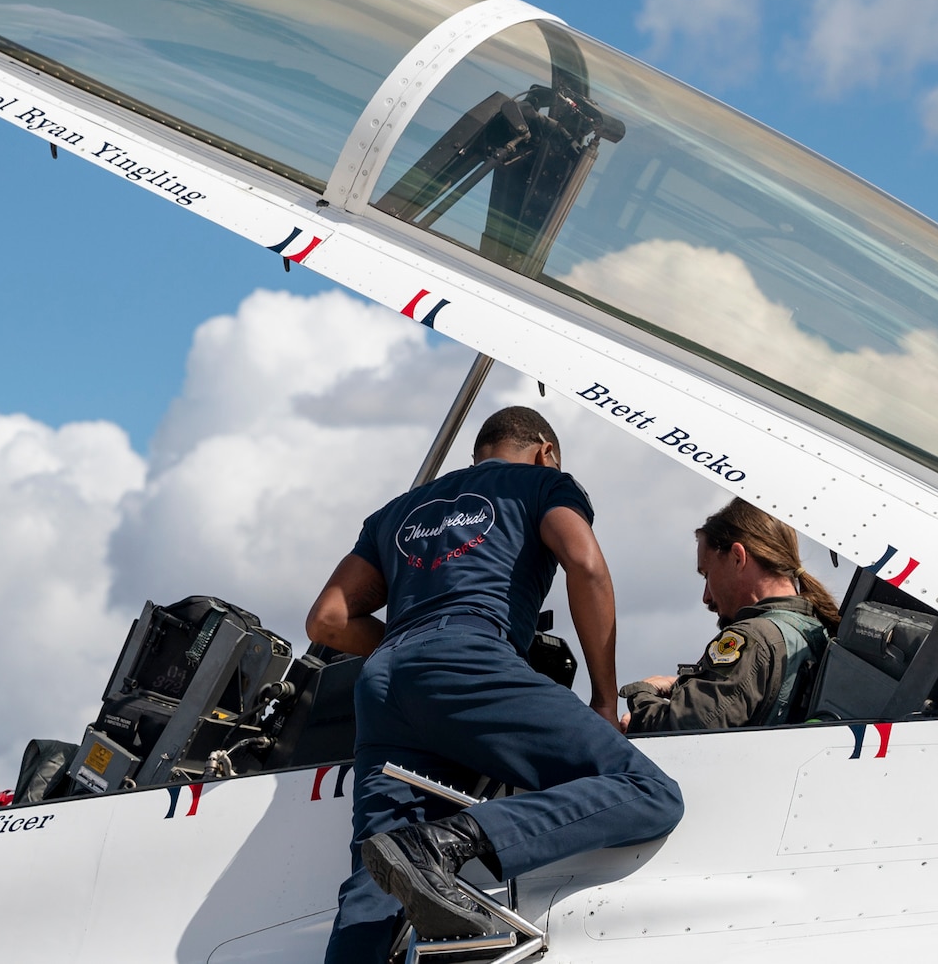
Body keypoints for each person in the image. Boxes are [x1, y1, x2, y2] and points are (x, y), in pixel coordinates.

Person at [307, 406, 685, 963]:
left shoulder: (396, 513)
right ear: (545, 451)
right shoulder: (542, 483)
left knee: (375, 880)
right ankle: (445, 843)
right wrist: (604, 698)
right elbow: (585, 565)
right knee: (650, 792)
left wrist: (409, 645)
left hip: (383, 683)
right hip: (469, 657)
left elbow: (327, 622)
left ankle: (413, 857)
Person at [622, 499, 840, 734]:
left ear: (738, 557)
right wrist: (682, 687)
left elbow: (686, 728)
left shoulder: (751, 639)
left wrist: (642, 698)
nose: (706, 597)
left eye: (707, 574)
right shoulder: (815, 630)